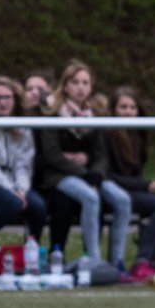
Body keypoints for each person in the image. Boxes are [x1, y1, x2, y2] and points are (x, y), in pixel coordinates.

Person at [39, 60, 132, 266]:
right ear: (65, 85)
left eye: (85, 83)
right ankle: (94, 259)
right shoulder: (52, 113)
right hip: (61, 175)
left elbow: (100, 154)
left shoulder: (94, 114)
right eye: (75, 82)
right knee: (90, 197)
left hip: (90, 173)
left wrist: (96, 172)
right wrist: (83, 172)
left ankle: (117, 260)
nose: (81, 87)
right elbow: (52, 155)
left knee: (123, 200)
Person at [105, 87, 155, 280]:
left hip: (135, 188)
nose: (128, 112)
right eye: (123, 107)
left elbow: (136, 172)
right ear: (113, 110)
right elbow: (109, 176)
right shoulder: (108, 134)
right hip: (116, 191)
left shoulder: (137, 134)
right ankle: (142, 260)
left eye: (132, 107)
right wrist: (144, 185)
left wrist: (145, 185)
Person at [0, 77, 48, 241]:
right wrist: (13, 191)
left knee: (38, 207)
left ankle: (30, 254)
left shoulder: (22, 127)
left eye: (7, 97)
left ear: (15, 100)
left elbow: (24, 165)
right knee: (12, 203)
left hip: (15, 184)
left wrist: (22, 190)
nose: (3, 102)